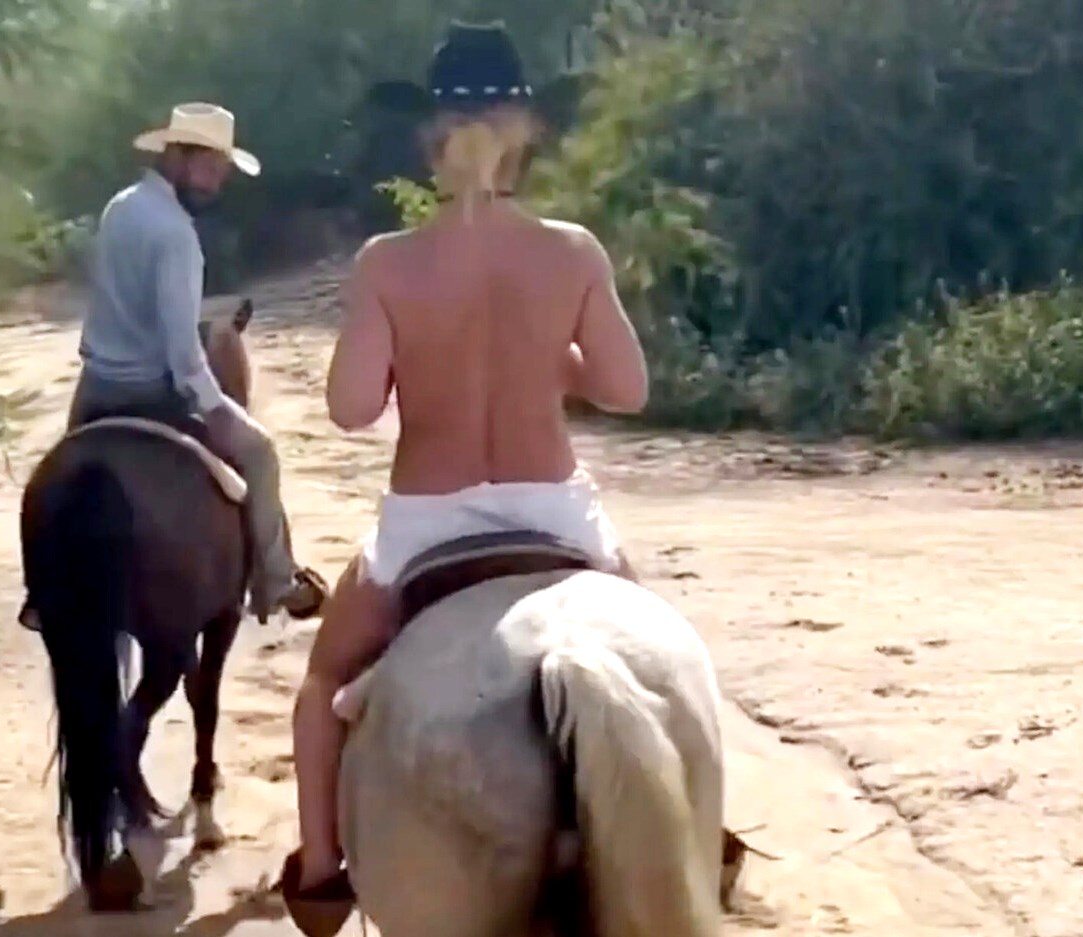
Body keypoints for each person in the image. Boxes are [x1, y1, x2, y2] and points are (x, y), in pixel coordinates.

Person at [280, 21, 649, 933]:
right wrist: (546, 356)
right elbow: (626, 390)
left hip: (427, 523)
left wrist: (417, 352)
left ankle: (321, 872)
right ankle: (697, 831)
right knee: (655, 657)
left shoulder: (387, 262)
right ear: (527, 128)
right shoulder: (572, 250)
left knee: (324, 685)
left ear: (430, 136)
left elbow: (351, 408)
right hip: (555, 513)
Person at [68, 101, 325, 623]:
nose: (216, 182)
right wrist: (214, 406)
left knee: (64, 480)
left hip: (94, 387)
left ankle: (45, 594)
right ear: (177, 156)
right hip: (152, 391)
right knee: (261, 454)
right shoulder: (177, 235)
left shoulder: (120, 207)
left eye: (220, 170)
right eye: (209, 167)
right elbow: (183, 355)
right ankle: (277, 580)